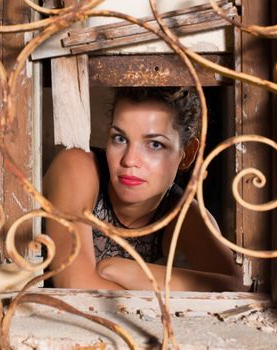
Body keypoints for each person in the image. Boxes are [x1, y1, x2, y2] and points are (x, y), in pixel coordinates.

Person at [43, 87, 245, 291]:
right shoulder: (76, 167)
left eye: (155, 145)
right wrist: (155, 292)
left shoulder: (183, 213)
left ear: (188, 154)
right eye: (120, 139)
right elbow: (75, 286)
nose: (130, 160)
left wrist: (119, 269)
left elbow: (237, 289)